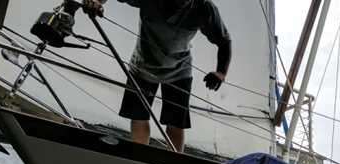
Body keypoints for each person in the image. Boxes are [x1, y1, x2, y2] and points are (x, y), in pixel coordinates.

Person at [82, 0, 232, 153]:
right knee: (139, 117)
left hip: (179, 70)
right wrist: (96, 2)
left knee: (176, 124)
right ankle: (140, 158)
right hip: (142, 65)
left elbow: (224, 40)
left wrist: (221, 72)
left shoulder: (204, 8)